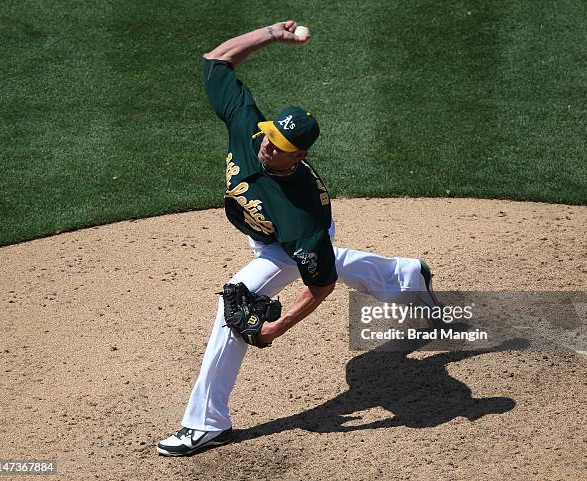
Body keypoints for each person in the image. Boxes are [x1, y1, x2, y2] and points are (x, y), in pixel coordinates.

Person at [157, 20, 440, 456]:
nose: (268, 147)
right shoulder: (249, 128)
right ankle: (405, 276)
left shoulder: (300, 211)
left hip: (287, 239)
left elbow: (320, 286)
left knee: (235, 306)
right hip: (271, 234)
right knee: (320, 259)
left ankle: (206, 423)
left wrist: (275, 327)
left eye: (281, 144)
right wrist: (272, 34)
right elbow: (216, 60)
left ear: (300, 154)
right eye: (270, 136)